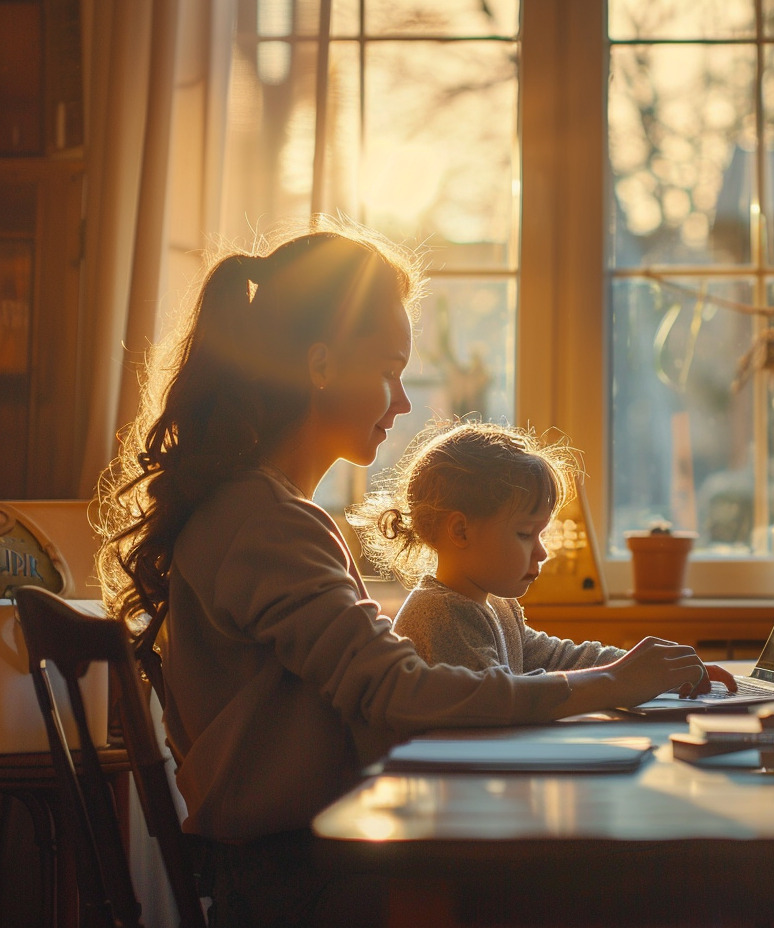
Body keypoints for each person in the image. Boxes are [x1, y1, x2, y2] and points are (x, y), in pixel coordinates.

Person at [93, 218, 716, 928]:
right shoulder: (262, 521)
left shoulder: (264, 511)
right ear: (320, 364)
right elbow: (396, 692)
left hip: (305, 857)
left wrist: (617, 676)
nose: (403, 400)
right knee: (647, 882)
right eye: (389, 369)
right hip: (295, 878)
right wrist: (611, 684)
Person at [348, 420, 736, 694]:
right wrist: (622, 680)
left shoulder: (497, 606)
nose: (542, 551)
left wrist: (650, 669)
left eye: (540, 533)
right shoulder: (441, 615)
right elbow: (501, 700)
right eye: (524, 534)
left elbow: (559, 658)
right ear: (461, 531)